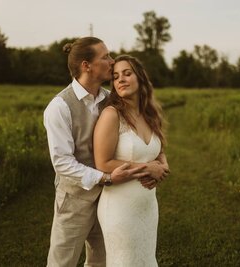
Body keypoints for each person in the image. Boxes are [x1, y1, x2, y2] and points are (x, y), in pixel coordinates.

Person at [43, 38, 150, 267]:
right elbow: (61, 162)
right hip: (75, 200)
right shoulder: (59, 107)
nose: (112, 62)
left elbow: (139, 128)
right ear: (86, 65)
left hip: (110, 199)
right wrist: (106, 177)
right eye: (105, 57)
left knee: (101, 261)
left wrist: (158, 158)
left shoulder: (111, 100)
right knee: (62, 262)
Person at [94, 55, 170, 266]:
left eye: (127, 73)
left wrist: (163, 164)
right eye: (116, 76)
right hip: (120, 207)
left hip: (147, 206)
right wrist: (148, 169)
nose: (121, 80)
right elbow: (103, 163)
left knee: (146, 260)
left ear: (140, 78)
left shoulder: (149, 114)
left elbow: (158, 149)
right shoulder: (112, 115)